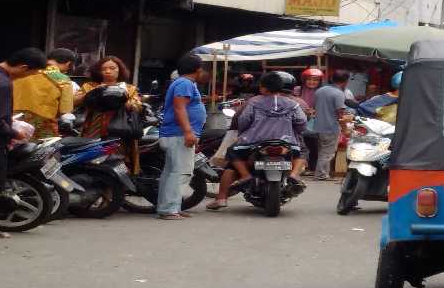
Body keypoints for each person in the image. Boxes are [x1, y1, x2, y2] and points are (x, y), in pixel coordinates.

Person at [206, 72, 306, 210]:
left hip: (254, 143)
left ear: (263, 88)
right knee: (300, 152)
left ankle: (234, 187)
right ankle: (294, 175)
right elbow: (301, 123)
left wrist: (246, 132)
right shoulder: (293, 104)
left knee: (231, 154)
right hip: (287, 142)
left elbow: (243, 122)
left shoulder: (254, 102)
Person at [0, 48, 47, 243]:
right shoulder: (2, 84)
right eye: (30, 73)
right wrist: (15, 132)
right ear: (23, 67)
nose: (27, 77)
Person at [155, 54, 207, 220]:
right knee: (181, 172)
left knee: (171, 172)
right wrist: (188, 131)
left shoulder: (184, 83)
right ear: (198, 69)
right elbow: (179, 108)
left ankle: (169, 207)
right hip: (178, 134)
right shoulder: (185, 83)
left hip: (175, 134)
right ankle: (170, 209)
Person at [75, 56, 143, 174]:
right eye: (104, 69)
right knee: (92, 159)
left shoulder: (129, 89)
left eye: (112, 68)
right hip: (94, 130)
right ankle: (94, 187)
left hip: (120, 131)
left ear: (119, 70)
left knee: (118, 161)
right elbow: (74, 101)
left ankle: (117, 186)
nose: (108, 71)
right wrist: (95, 91)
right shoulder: (89, 86)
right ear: (99, 71)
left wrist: (123, 98)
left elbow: (138, 106)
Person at [11, 48, 76, 138]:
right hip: (43, 130)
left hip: (14, 125)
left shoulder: (24, 72)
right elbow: (65, 111)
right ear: (68, 64)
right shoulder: (63, 80)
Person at [312, 69, 351, 181]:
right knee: (327, 153)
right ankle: (321, 174)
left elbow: (315, 107)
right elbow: (340, 114)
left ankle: (324, 174)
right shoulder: (338, 93)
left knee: (323, 151)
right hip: (331, 127)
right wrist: (345, 129)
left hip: (318, 126)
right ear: (346, 81)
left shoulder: (320, 90)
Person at [296, 67, 323, 175]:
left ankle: (312, 168)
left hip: (314, 121)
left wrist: (315, 111)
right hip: (298, 119)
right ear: (304, 79)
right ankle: (299, 167)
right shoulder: (297, 90)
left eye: (316, 80)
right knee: (299, 144)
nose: (312, 82)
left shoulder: (321, 91)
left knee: (313, 144)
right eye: (310, 79)